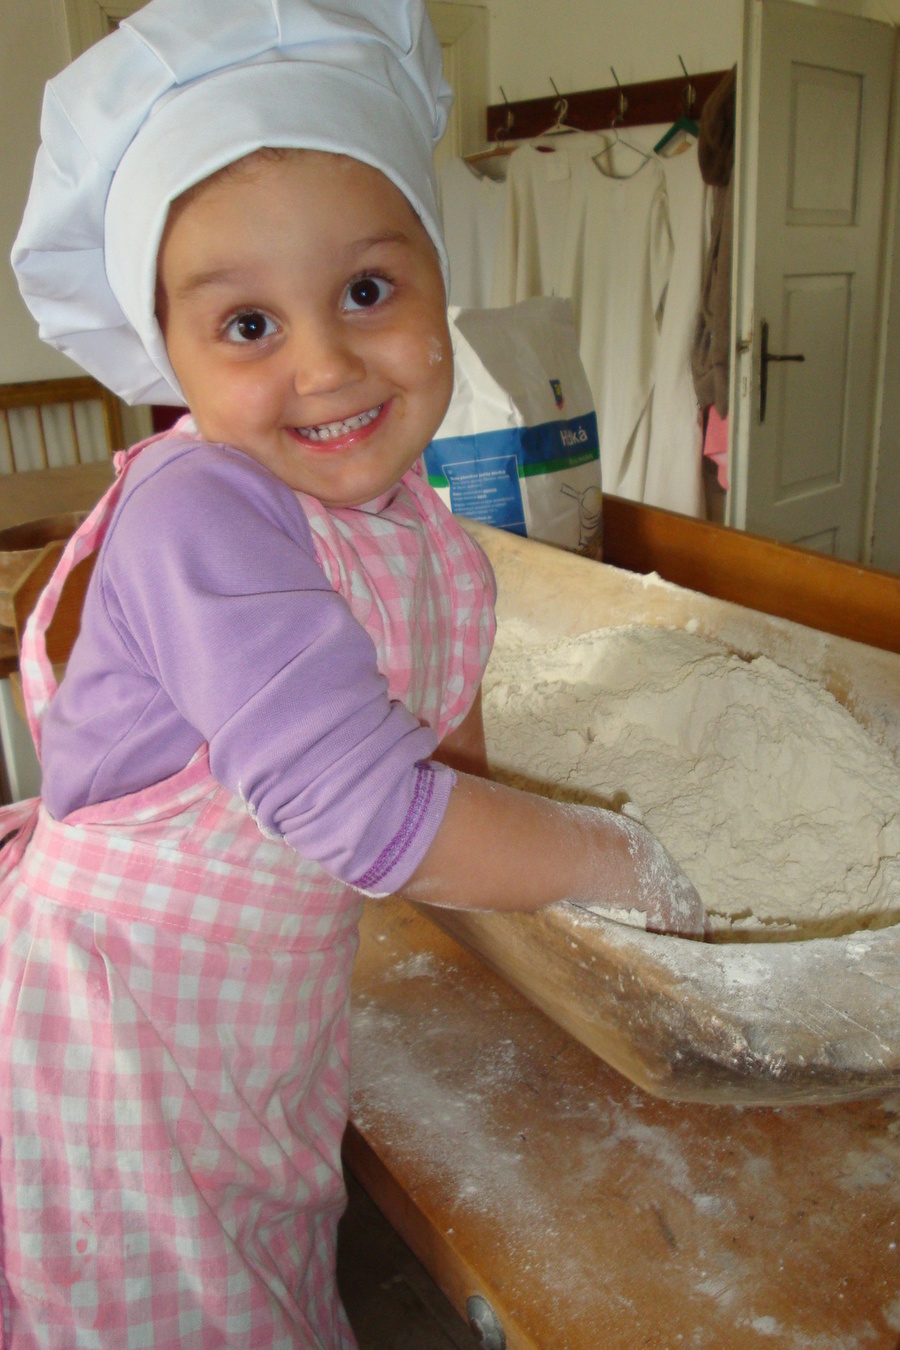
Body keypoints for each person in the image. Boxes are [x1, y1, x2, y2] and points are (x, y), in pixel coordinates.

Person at [3, 2, 705, 1344]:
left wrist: (559, 909)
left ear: (441, 281)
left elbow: (451, 778)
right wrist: (621, 861)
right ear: (168, 358)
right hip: (114, 1047)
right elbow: (376, 816)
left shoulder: (437, 547)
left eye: (369, 292)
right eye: (247, 323)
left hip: (259, 1028)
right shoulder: (199, 514)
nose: (325, 364)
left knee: (272, 1270)